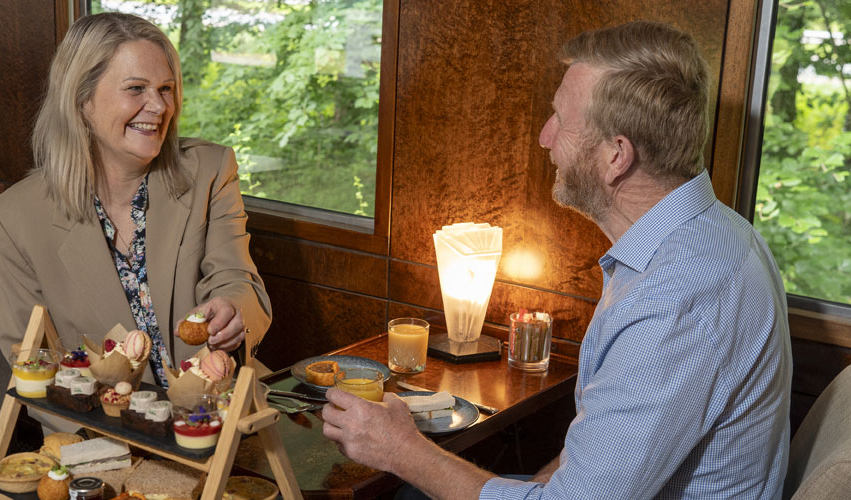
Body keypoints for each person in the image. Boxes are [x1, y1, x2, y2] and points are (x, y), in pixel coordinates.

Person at [320, 21, 792, 499]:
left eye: (560, 120)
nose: (545, 138)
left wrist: (401, 449)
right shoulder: (717, 233)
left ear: (616, 156)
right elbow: (596, 458)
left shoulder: (676, 298)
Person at [0, 13, 271, 395]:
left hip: (218, 410)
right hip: (101, 432)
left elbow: (237, 280)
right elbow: (33, 361)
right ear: (82, 100)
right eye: (136, 88)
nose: (158, 106)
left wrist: (232, 310)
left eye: (166, 89)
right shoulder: (14, 218)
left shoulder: (211, 170)